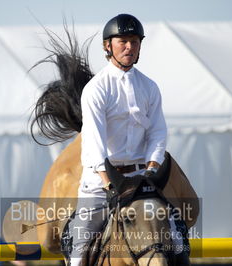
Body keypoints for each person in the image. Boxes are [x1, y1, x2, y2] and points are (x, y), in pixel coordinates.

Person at [69, 14, 167, 265]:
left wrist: (152, 170)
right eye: (123, 41)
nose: (129, 47)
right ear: (107, 46)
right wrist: (110, 185)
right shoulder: (96, 89)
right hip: (101, 185)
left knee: (176, 241)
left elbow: (157, 132)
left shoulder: (150, 87)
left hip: (140, 180)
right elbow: (93, 142)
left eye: (134, 41)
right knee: (80, 249)